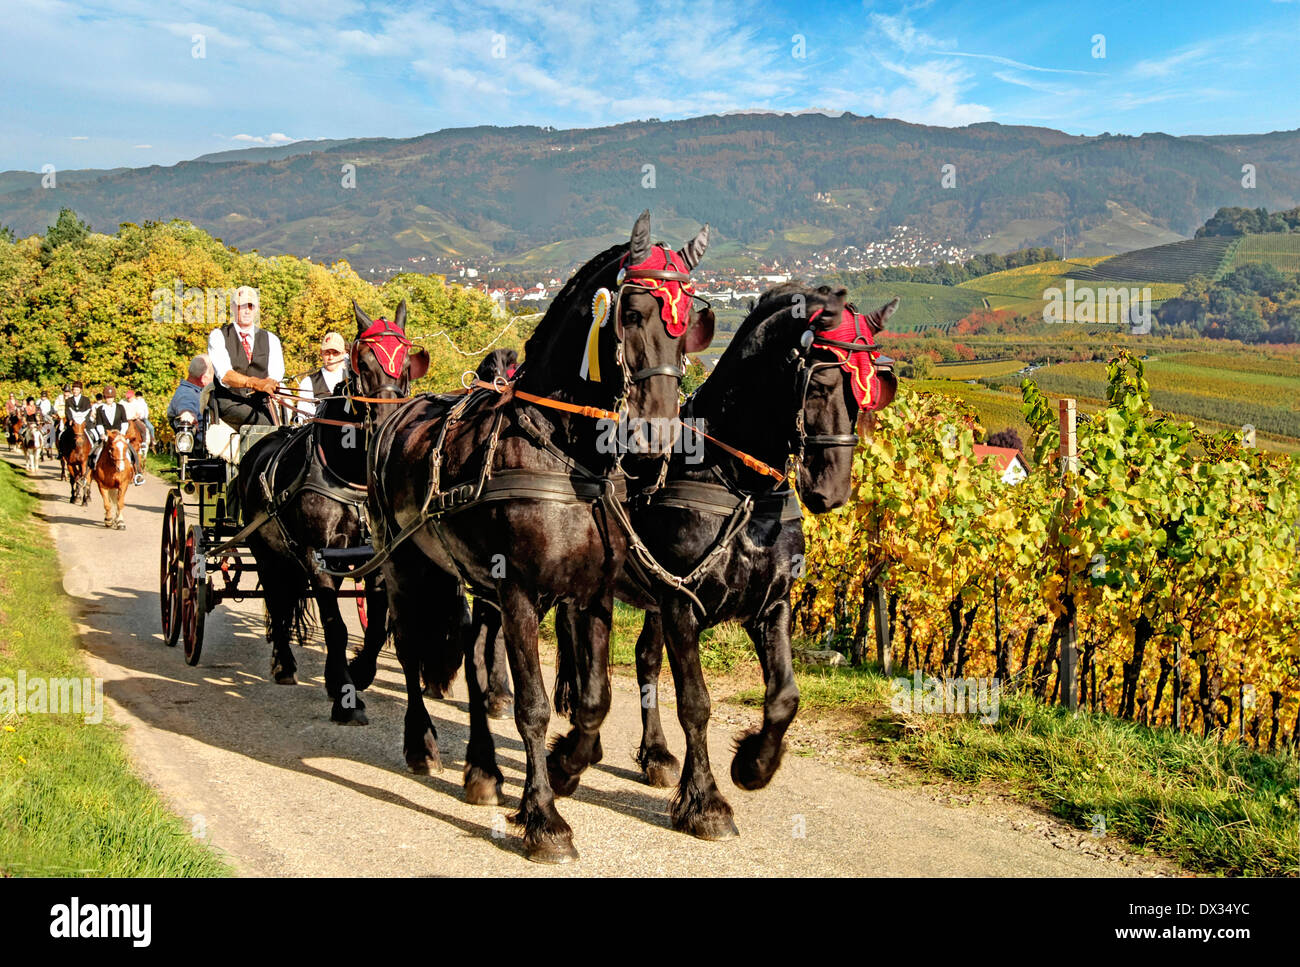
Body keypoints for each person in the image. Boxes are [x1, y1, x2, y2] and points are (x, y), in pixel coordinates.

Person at [206, 285, 284, 428]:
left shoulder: (272, 339)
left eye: (251, 306)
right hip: (230, 402)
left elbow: (275, 376)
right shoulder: (218, 336)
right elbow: (225, 376)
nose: (247, 311)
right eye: (242, 306)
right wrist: (255, 383)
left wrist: (270, 384)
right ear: (234, 308)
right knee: (265, 426)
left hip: (262, 403)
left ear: (256, 309)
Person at [89, 384, 145, 486]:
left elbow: (124, 422)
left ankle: (138, 474)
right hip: (106, 436)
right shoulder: (100, 409)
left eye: (111, 397)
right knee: (94, 451)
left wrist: (122, 434)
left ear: (114, 398)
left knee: (132, 452)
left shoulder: (120, 407)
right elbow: (99, 424)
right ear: (105, 398)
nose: (109, 399)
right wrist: (102, 434)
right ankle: (88, 474)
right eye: (107, 397)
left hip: (119, 435)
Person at [288, 332, 349, 423]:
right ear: (321, 353)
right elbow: (304, 420)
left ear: (343, 354)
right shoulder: (308, 382)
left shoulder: (352, 380)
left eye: (335, 353)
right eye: (327, 353)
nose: (331, 357)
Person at [167, 355, 213, 450]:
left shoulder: (198, 391)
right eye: (213, 375)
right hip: (203, 453)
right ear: (204, 378)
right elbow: (186, 411)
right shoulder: (186, 394)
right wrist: (188, 414)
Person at [122, 386, 157, 453]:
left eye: (129, 397)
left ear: (133, 396)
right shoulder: (123, 402)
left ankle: (144, 442)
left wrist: (135, 416)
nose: (128, 399)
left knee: (143, 428)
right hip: (125, 420)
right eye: (127, 397)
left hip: (134, 419)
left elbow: (139, 412)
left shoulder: (137, 403)